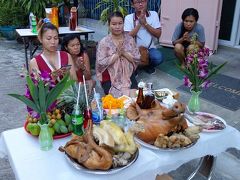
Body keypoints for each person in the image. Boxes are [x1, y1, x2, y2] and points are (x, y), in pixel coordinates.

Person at [96, 11, 140, 97]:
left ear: (123, 24)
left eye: (120, 23)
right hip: (109, 75)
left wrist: (123, 53)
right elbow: (101, 62)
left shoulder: (129, 39)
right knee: (116, 100)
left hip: (128, 74)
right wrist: (116, 55)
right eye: (114, 24)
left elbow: (136, 58)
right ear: (109, 25)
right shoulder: (104, 42)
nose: (117, 27)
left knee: (134, 97)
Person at [124, 0, 163, 75]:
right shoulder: (128, 18)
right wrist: (139, 23)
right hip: (134, 50)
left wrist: (145, 23)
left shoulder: (153, 14)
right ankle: (136, 67)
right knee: (127, 57)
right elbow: (127, 37)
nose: (141, 4)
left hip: (150, 48)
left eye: (143, 1)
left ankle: (147, 66)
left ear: (147, 1)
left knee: (158, 57)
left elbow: (158, 34)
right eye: (137, 2)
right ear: (132, 4)